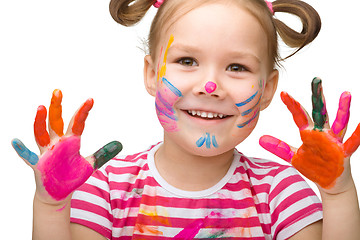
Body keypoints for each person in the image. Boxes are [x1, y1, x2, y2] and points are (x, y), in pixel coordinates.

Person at [11, 0, 360, 239]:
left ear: (267, 89)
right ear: (150, 74)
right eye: (187, 61)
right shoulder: (105, 189)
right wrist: (51, 205)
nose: (210, 86)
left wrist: (338, 193)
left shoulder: (280, 193)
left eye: (237, 67)